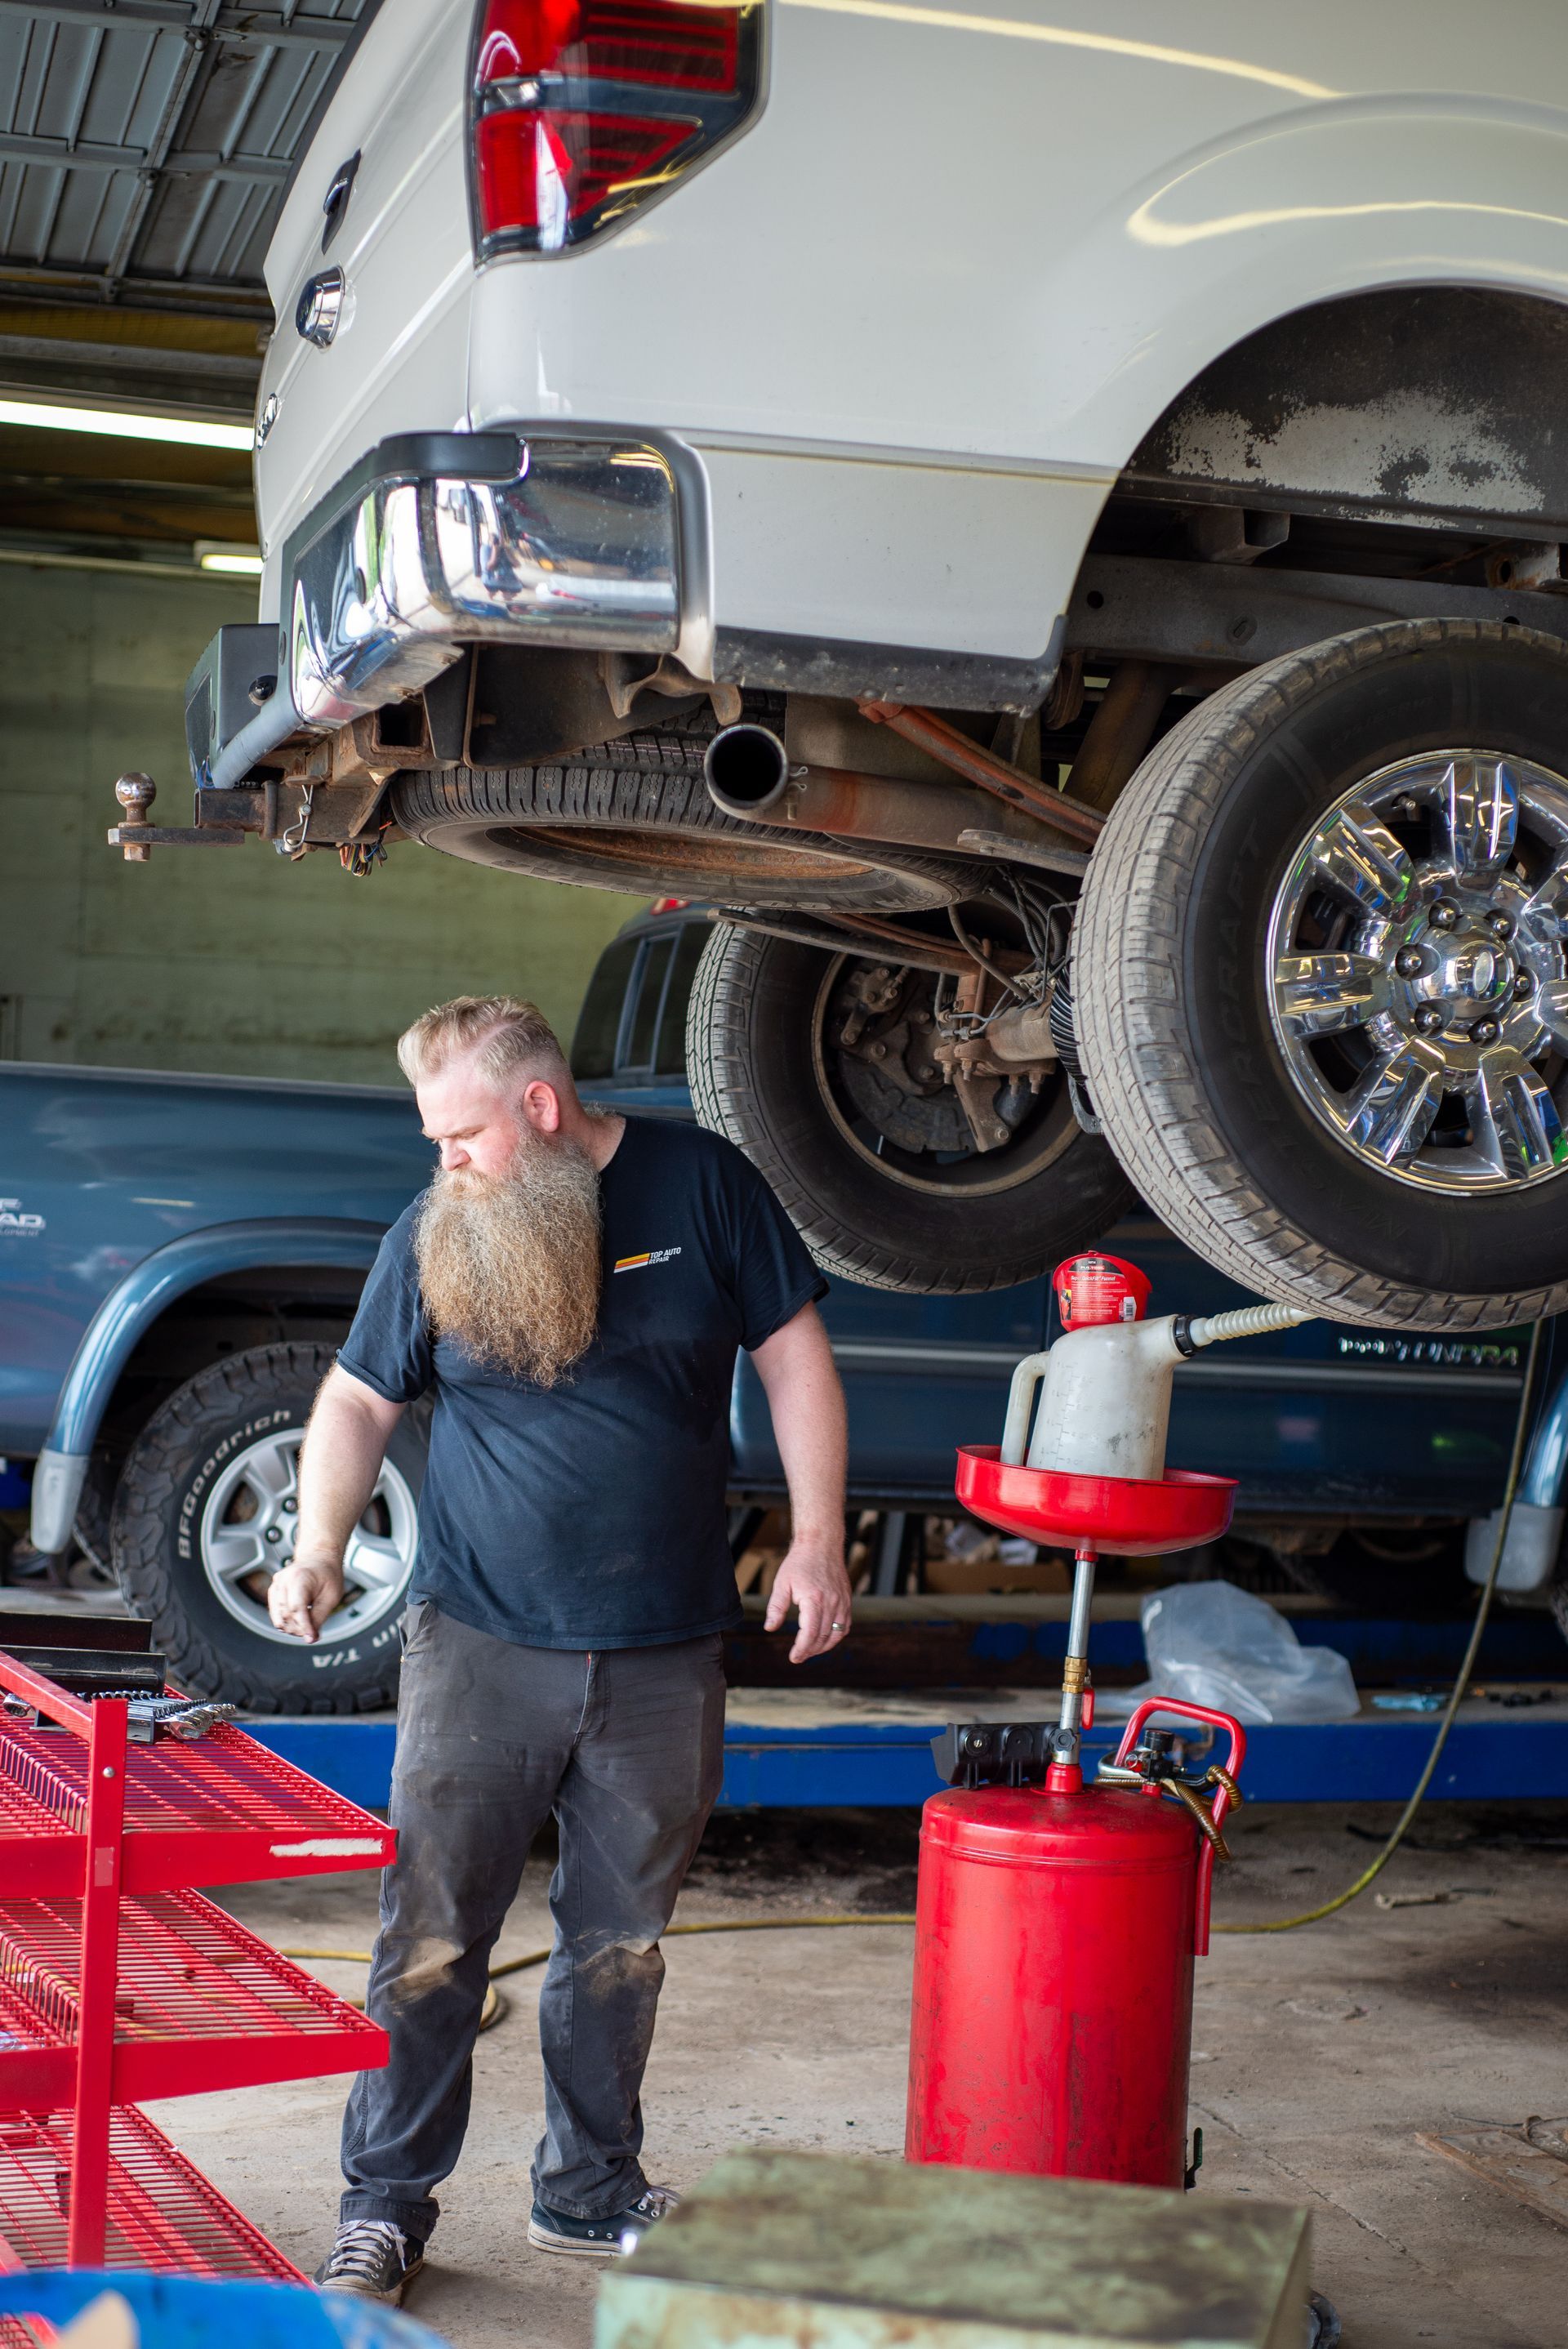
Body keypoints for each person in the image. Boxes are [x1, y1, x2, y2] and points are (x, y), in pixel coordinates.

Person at [267, 995, 852, 2305]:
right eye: (434, 1138)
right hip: (480, 1645)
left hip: (663, 1650)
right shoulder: (442, 1227)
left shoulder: (705, 1184)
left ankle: (588, 2193)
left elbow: (794, 1354)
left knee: (619, 1942)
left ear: (540, 1108)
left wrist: (819, 1538)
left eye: (462, 1133)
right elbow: (361, 1396)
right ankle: (385, 2208)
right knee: (429, 1940)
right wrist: (316, 1547)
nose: (446, 1162)